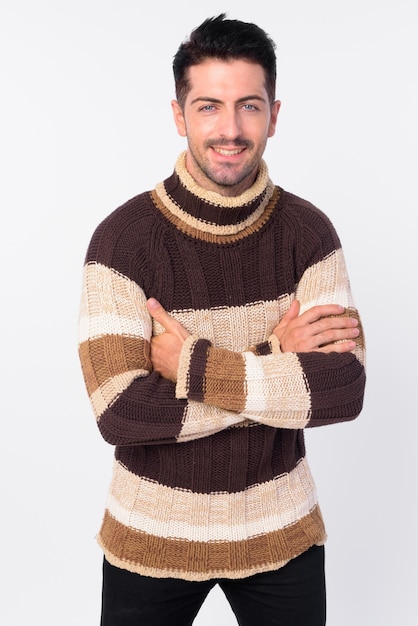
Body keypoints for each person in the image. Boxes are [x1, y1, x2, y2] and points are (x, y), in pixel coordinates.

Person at [78, 13, 366, 626]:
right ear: (179, 116)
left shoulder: (309, 234)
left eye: (249, 107)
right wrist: (273, 359)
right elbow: (121, 411)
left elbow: (341, 390)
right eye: (208, 107)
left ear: (275, 115)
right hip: (149, 536)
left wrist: (189, 366)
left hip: (280, 533)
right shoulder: (121, 241)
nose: (230, 129)